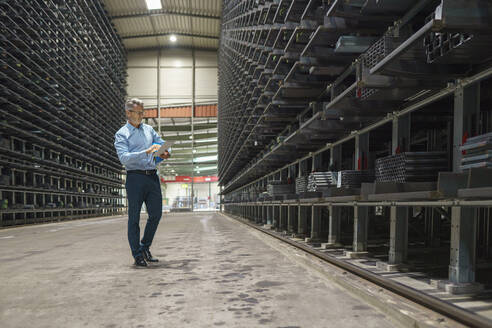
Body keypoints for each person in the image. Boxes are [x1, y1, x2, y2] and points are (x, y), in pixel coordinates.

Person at [114, 98, 170, 267]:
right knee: (134, 218)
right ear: (128, 113)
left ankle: (145, 246)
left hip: (152, 176)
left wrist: (165, 152)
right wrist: (145, 152)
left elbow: (161, 144)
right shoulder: (122, 134)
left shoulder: (149, 130)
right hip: (135, 178)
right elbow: (124, 158)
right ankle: (137, 254)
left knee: (156, 214)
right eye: (138, 113)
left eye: (142, 113)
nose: (141, 116)